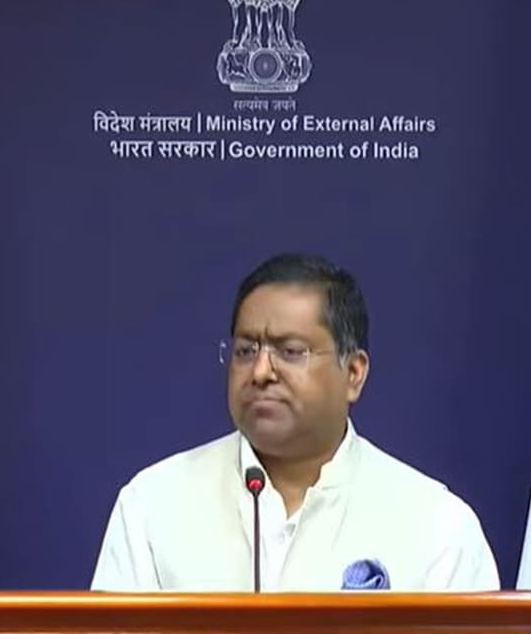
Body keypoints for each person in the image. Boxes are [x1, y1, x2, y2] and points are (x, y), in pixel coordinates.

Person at [91, 253, 499, 592]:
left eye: (290, 351)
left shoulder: (436, 525)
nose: (260, 371)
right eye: (246, 350)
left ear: (353, 373)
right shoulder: (153, 504)